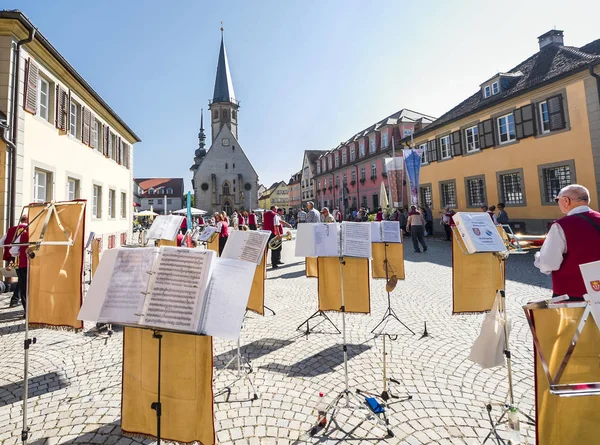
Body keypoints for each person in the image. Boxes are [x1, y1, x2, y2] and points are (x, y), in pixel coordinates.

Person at [535, 184, 600, 300]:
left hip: (573, 295)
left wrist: (539, 258)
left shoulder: (561, 225)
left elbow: (549, 264)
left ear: (566, 200)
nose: (558, 203)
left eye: (557, 200)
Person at [1, 215, 28, 307]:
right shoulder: (30, 228)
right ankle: (15, 300)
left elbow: (2, 243)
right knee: (24, 282)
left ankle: (15, 300)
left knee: (21, 280)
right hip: (25, 257)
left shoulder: (12, 229)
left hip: (15, 258)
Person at [8, 214, 29, 310]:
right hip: (36, 265)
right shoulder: (36, 230)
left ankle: (26, 311)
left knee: (23, 286)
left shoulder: (15, 229)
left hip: (21, 262)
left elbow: (12, 250)